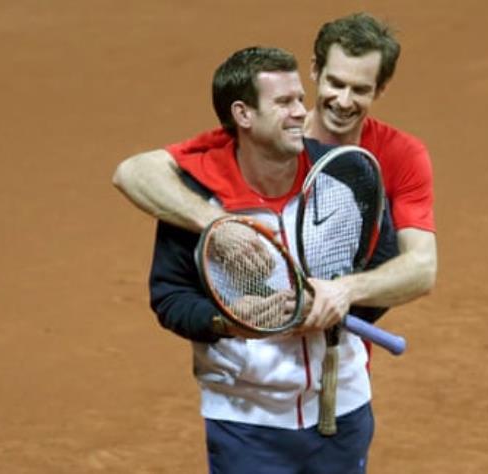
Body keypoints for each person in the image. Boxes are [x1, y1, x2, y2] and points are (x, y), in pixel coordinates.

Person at [146, 46, 398, 474]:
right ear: (243, 114)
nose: (302, 111)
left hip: (341, 409)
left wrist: (341, 300)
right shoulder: (197, 200)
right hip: (246, 420)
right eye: (284, 102)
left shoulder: (341, 176)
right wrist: (225, 321)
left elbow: (384, 265)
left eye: (300, 98)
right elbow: (169, 296)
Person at [113, 13, 438, 317]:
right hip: (255, 346)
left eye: (360, 89)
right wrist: (220, 224)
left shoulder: (401, 154)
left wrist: (343, 291)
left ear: (380, 89)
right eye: (335, 83)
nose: (343, 100)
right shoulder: (264, 137)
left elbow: (421, 267)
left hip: (340, 339)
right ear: (315, 71)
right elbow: (133, 172)